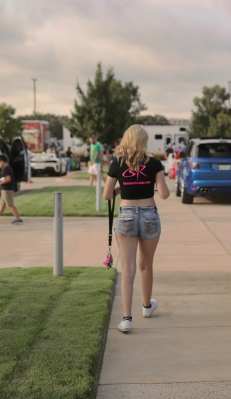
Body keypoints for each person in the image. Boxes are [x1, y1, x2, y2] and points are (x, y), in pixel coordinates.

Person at [103, 125, 170, 333]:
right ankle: (147, 307)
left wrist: (124, 186)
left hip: (127, 215)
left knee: (128, 268)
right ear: (143, 141)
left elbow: (107, 195)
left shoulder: (118, 162)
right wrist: (150, 182)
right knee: (146, 265)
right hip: (149, 214)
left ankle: (126, 319)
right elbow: (164, 194)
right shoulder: (155, 163)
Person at [0, 155, 23, 225]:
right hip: (5, 189)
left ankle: (18, 219)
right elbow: (5, 178)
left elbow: (8, 179)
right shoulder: (6, 169)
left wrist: (0, 183)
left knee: (10, 204)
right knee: (2, 204)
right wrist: (0, 181)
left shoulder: (6, 169)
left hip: (7, 189)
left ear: (2, 161)